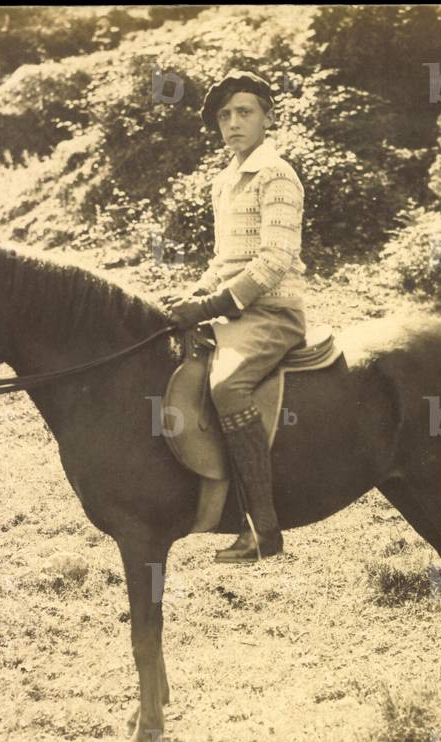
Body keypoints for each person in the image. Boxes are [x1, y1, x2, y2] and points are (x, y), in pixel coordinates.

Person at [166, 69, 307, 563]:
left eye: (245, 112)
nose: (233, 122)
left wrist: (208, 306)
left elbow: (274, 261)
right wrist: (189, 296)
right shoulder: (223, 181)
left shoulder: (277, 173)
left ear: (268, 118)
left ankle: (262, 528)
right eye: (225, 115)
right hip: (232, 311)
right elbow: (222, 261)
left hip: (272, 313)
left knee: (228, 386)